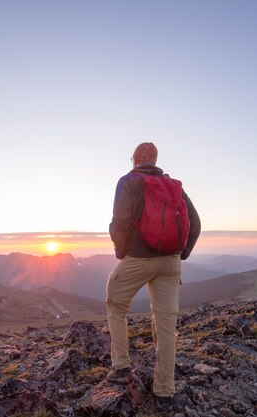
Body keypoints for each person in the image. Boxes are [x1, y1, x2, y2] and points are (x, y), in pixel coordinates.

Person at [106, 142, 201, 412]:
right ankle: (164, 393)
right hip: (170, 263)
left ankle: (122, 368)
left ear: (134, 159)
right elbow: (195, 222)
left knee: (115, 304)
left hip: (137, 259)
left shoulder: (129, 181)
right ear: (156, 160)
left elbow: (120, 222)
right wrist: (181, 253)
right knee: (166, 322)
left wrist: (121, 251)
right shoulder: (172, 185)